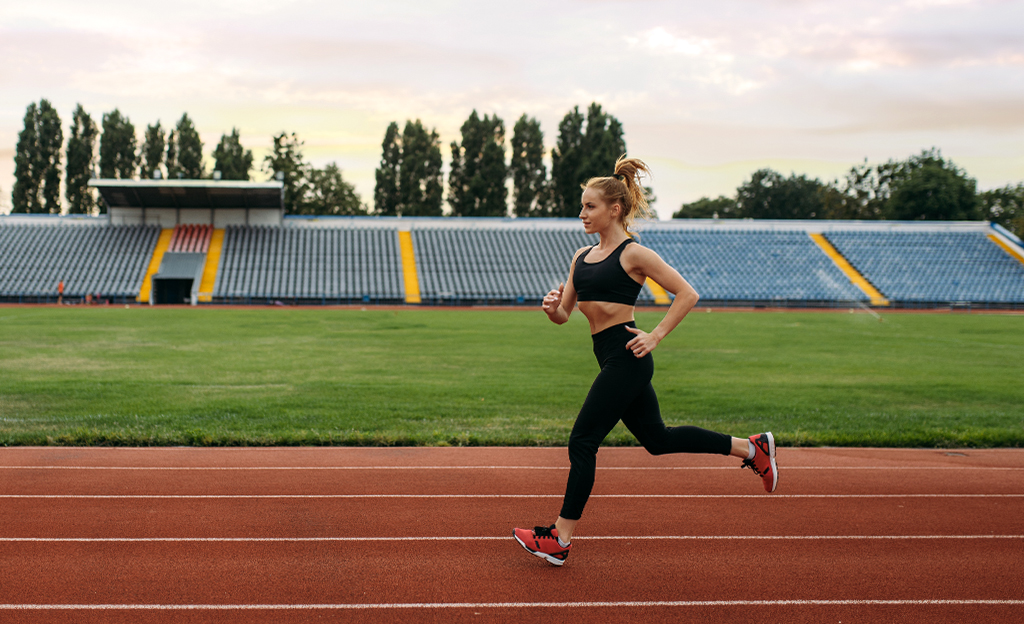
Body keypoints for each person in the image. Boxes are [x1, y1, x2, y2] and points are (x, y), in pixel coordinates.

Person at [513, 156, 779, 567]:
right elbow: (565, 314)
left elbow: (687, 294)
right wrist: (551, 308)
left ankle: (560, 537)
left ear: (614, 209)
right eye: (582, 206)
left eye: (590, 206)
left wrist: (655, 335)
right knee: (657, 440)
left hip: (627, 357)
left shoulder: (634, 254)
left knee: (583, 441)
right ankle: (751, 448)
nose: (582, 213)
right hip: (608, 358)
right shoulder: (581, 257)